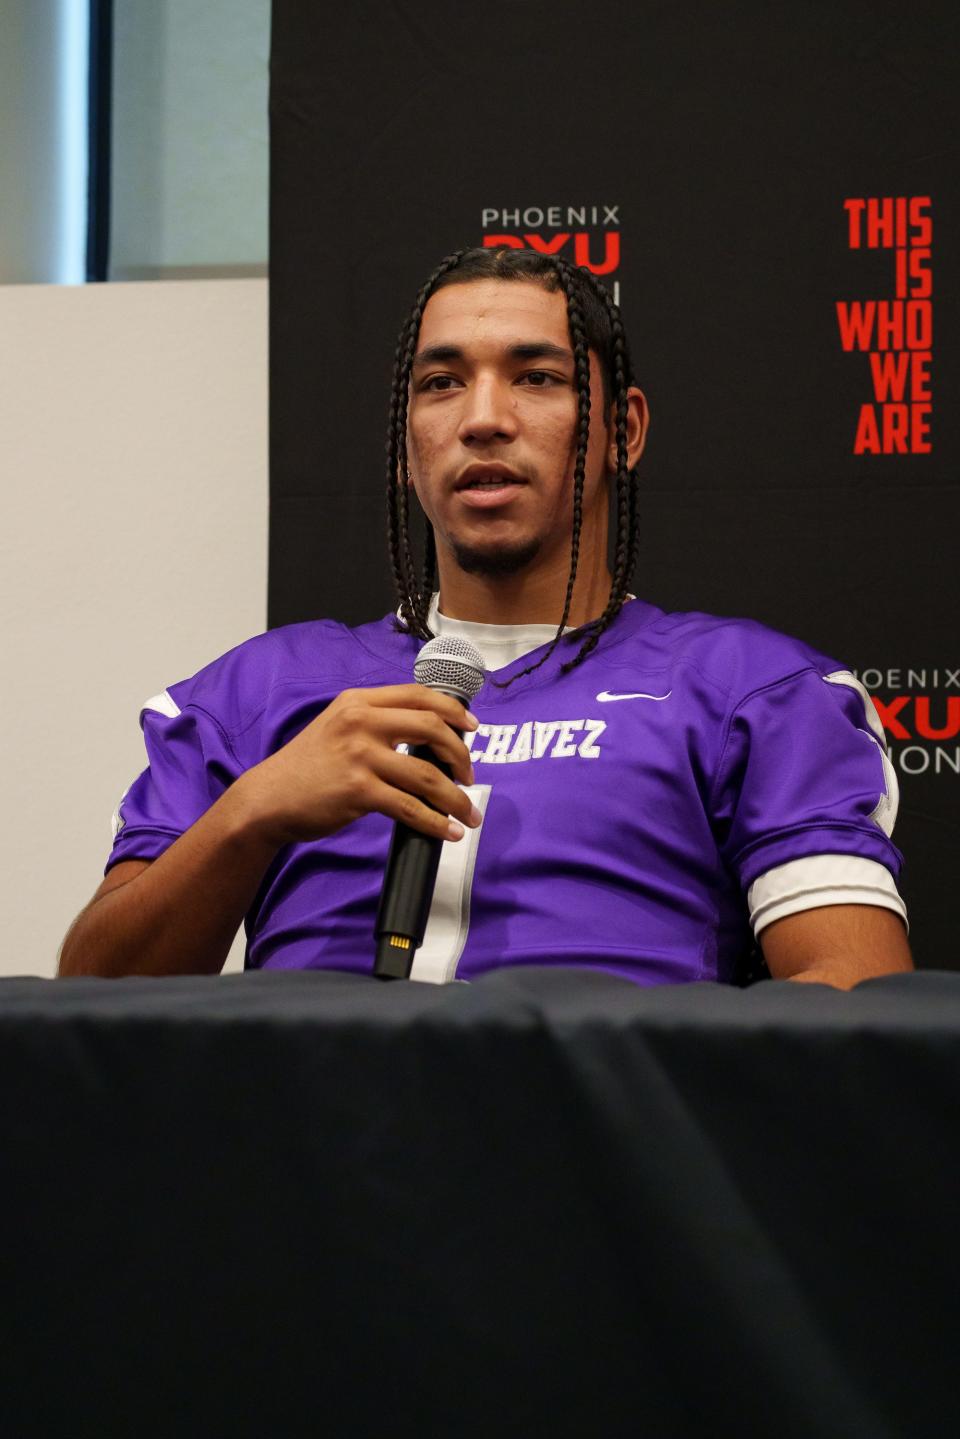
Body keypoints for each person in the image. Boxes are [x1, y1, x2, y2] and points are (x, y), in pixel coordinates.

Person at [58, 248, 913, 988]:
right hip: (309, 1156)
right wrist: (254, 812)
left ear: (625, 429)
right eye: (441, 383)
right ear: (407, 442)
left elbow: (848, 1002)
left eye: (537, 377)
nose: (484, 419)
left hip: (600, 1156)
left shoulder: (755, 690)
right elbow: (93, 1005)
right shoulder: (252, 692)